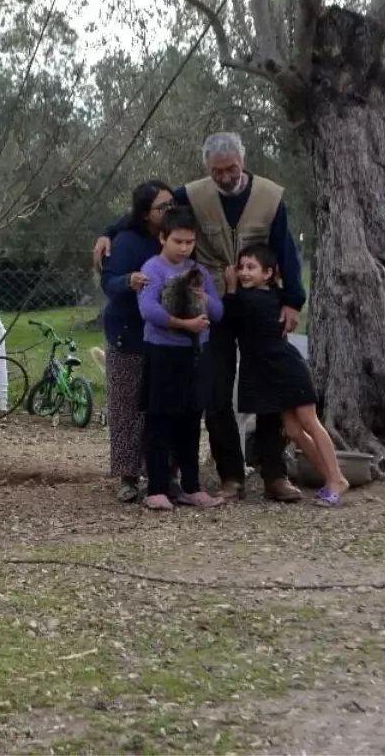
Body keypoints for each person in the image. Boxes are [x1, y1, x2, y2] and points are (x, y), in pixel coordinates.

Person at [91, 133, 305, 503]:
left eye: (231, 169)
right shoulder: (192, 193)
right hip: (212, 307)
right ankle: (231, 476)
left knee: (271, 389)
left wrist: (292, 301)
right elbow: (152, 210)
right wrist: (108, 231)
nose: (224, 177)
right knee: (215, 392)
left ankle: (275, 474)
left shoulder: (271, 197)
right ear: (207, 168)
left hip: (260, 308)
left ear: (244, 161)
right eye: (216, 171)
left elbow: (287, 250)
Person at [224, 244, 349, 506]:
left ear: (268, 273)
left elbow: (231, 314)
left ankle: (336, 478)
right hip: (268, 372)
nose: (244, 273)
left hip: (285, 368)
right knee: (292, 429)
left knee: (309, 421)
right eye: (241, 267)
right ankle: (330, 478)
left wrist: (231, 287)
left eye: (251, 268)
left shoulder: (254, 299)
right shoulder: (272, 295)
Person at [136, 206, 225, 511]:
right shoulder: (152, 270)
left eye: (189, 242)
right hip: (163, 353)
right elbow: (149, 311)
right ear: (163, 237)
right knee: (160, 420)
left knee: (190, 419)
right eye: (178, 241)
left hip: (195, 355)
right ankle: (157, 488)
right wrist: (184, 324)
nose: (184, 248)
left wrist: (204, 298)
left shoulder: (197, 272)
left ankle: (192, 486)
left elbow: (217, 313)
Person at [100, 180, 173, 502]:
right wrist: (128, 281)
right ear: (145, 213)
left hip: (168, 336)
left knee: (162, 407)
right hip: (128, 332)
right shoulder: (127, 242)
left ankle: (164, 471)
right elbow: (108, 281)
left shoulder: (175, 240)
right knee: (127, 407)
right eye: (162, 207)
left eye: (172, 205)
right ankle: (128, 476)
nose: (169, 211)